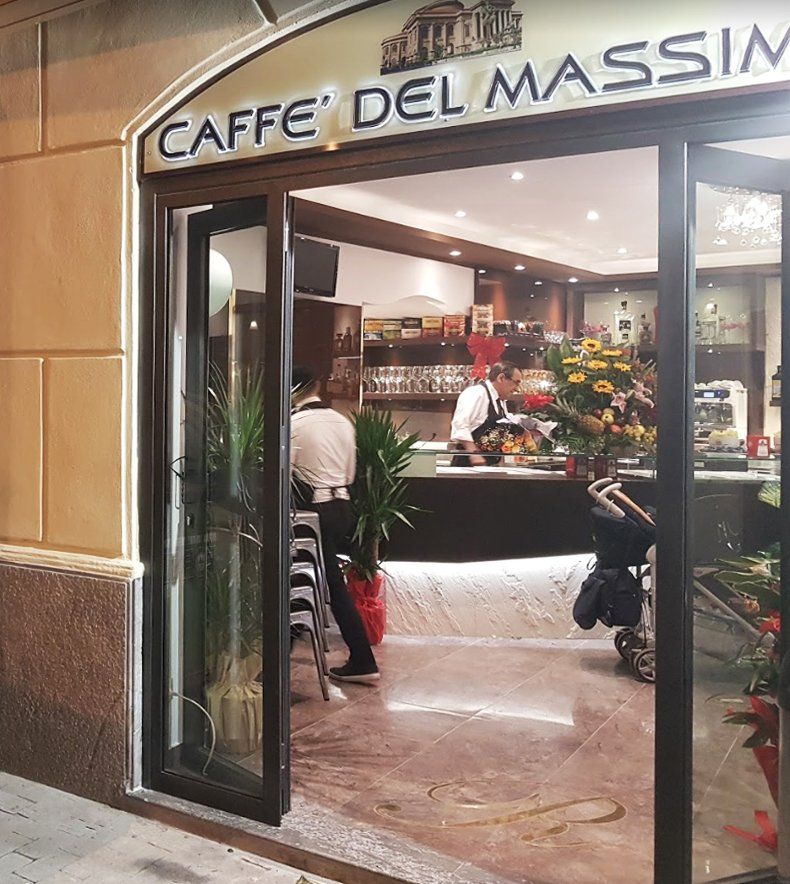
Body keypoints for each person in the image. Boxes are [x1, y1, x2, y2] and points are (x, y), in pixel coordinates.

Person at [290, 365, 379, 684]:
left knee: (307, 579)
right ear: (316, 387)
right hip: (342, 506)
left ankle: (362, 659)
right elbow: (350, 473)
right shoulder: (342, 421)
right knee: (324, 578)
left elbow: (286, 474)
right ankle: (361, 658)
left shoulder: (294, 424)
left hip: (313, 510)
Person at [450, 360, 523, 466]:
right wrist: (474, 454)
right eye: (516, 382)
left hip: (489, 465)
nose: (517, 389)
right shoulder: (477, 393)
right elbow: (460, 425)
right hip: (468, 464)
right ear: (501, 378)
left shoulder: (500, 400)